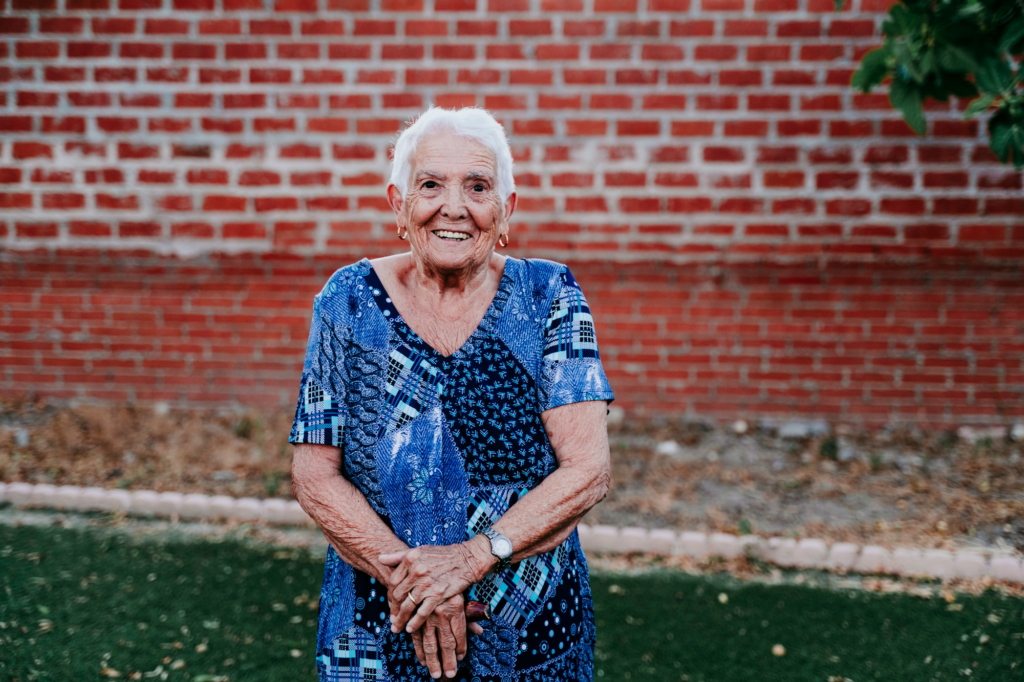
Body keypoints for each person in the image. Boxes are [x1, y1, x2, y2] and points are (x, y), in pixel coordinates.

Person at [289, 106, 614, 682]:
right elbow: (315, 475)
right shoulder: (348, 301)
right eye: (431, 184)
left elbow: (587, 470)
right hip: (378, 621)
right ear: (399, 204)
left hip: (527, 628)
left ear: (506, 211)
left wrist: (467, 560)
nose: (454, 207)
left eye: (478, 187)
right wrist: (419, 589)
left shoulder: (549, 296)